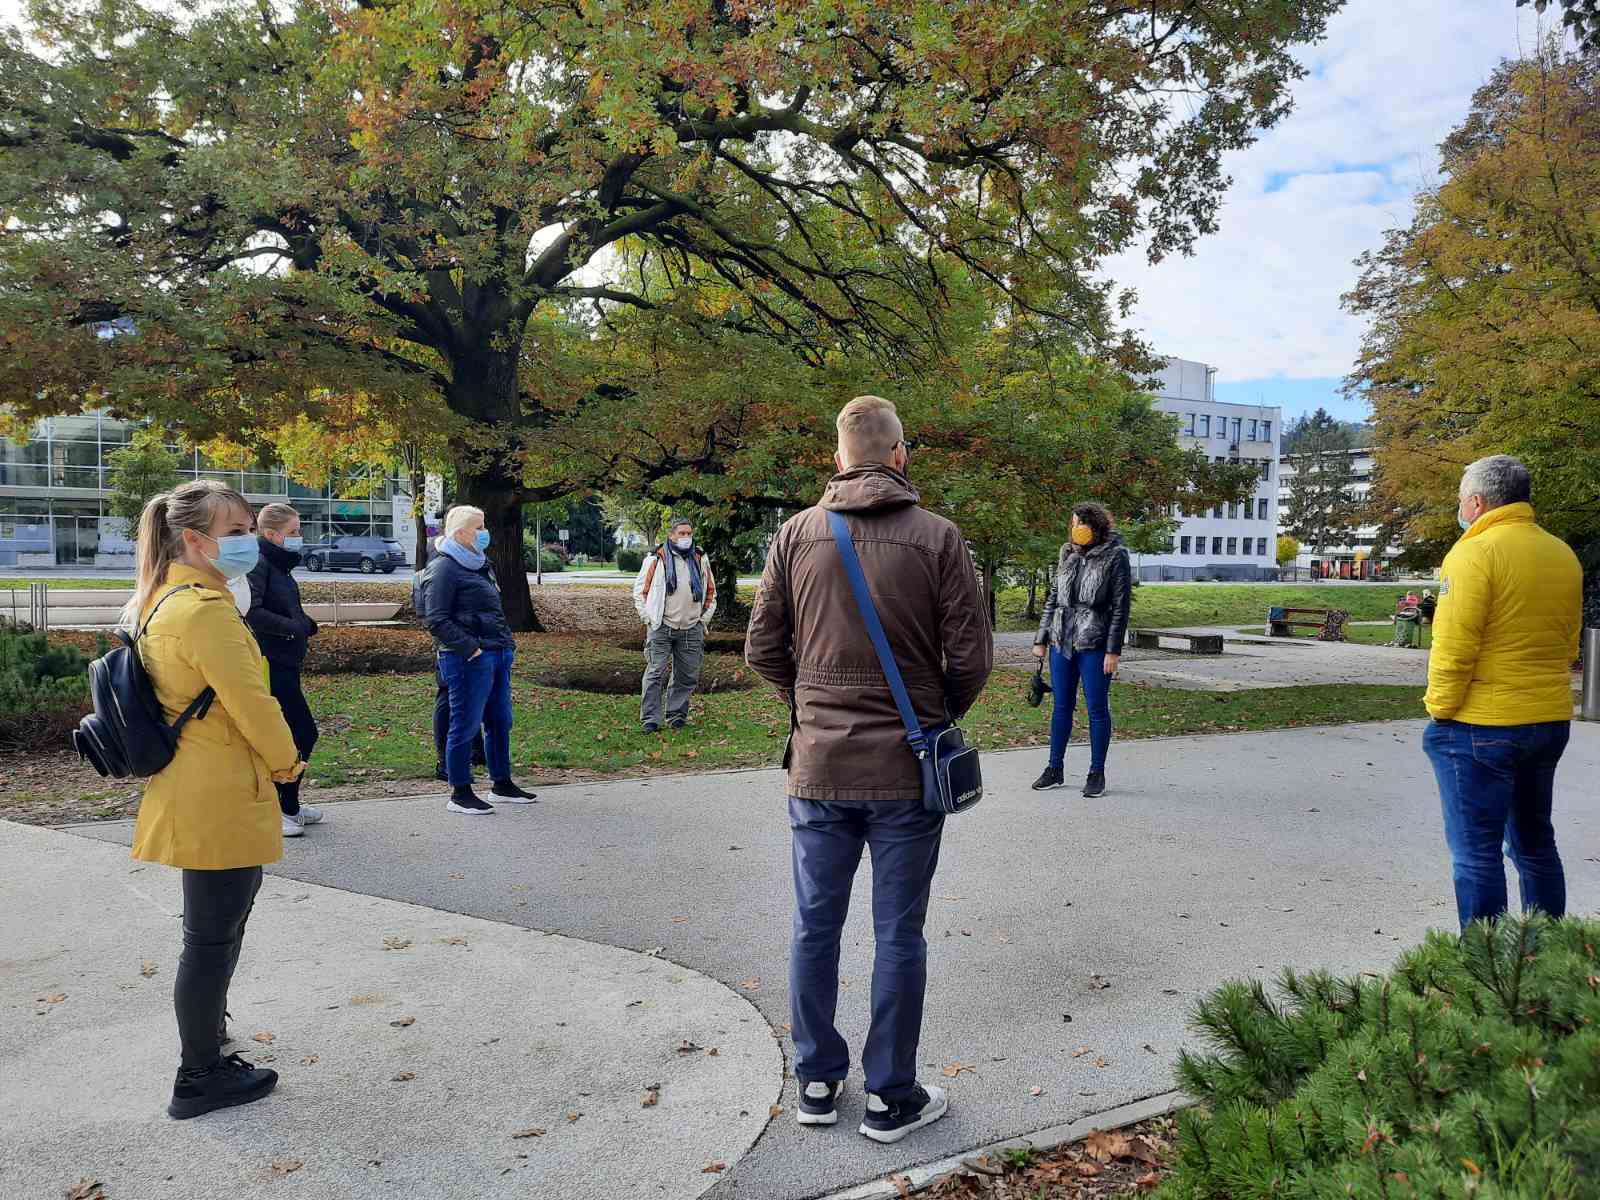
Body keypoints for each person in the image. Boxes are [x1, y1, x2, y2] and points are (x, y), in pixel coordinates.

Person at [746, 395, 993, 1144]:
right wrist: (927, 713)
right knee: (899, 934)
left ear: (838, 458)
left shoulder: (795, 535)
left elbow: (762, 646)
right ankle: (890, 1097)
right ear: (899, 455)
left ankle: (817, 1081)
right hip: (905, 770)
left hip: (818, 766)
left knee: (814, 924)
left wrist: (812, 703)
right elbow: (972, 658)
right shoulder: (939, 538)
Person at [123, 479, 306, 1119]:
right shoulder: (202, 609)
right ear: (194, 540)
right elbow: (252, 701)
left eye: (249, 528)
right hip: (220, 788)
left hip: (196, 783)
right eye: (235, 532)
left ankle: (208, 1041)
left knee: (213, 930)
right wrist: (288, 764)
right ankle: (197, 1075)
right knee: (210, 939)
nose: (248, 541)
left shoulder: (162, 598)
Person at [1422, 455, 1582, 931]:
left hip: (1481, 725)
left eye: (1460, 501)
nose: (1459, 509)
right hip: (1548, 719)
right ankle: (1548, 960)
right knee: (1535, 844)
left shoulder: (1473, 553)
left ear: (1476, 501)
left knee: (1476, 854)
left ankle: (1485, 972)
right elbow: (1568, 641)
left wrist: (1439, 711)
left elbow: (1453, 646)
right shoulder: (1561, 554)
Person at [421, 505, 535, 814]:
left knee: (500, 720)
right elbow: (437, 619)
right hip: (467, 658)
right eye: (479, 528)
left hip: (496, 651)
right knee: (465, 724)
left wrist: (504, 646)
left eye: (484, 526)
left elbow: (493, 611)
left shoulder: (481, 563)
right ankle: (460, 791)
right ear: (460, 533)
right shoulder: (444, 568)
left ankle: (502, 783)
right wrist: (471, 649)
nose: (486, 533)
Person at [1030, 502, 1131, 797]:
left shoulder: (1115, 556)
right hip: (1062, 642)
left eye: (1078, 523)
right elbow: (1053, 598)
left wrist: (1113, 651)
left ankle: (1096, 772)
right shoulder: (1067, 553)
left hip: (1095, 643)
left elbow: (1120, 607)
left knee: (1097, 708)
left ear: (1093, 526)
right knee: (1061, 705)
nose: (1074, 528)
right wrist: (1041, 638)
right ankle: (1054, 768)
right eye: (1072, 523)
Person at [244, 503, 325, 838]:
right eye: (293, 531)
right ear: (271, 534)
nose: (298, 537)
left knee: (296, 734)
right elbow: (252, 611)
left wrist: (305, 624)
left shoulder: (279, 564)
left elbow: (284, 607)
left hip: (286, 662)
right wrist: (293, 627)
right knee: (301, 733)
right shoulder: (260, 563)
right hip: (270, 663)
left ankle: (289, 805)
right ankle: (281, 808)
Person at [632, 516, 718, 732]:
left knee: (686, 676)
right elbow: (640, 591)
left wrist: (703, 619)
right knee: (654, 672)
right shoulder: (656, 559)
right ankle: (650, 719)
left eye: (689, 533)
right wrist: (649, 619)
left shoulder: (700, 558)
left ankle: (677, 716)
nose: (686, 537)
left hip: (691, 628)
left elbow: (710, 592)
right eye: (682, 533)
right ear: (671, 535)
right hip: (661, 626)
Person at [413, 544, 487, 780]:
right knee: (448, 695)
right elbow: (435, 614)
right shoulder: (444, 553)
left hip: (469, 636)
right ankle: (445, 760)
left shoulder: (469, 551)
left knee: (470, 695)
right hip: (452, 640)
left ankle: (475, 750)